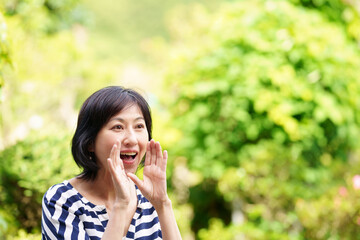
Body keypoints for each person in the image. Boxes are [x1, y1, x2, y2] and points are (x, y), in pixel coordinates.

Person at [41, 86, 182, 240]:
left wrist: (162, 204)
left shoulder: (149, 200)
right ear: (90, 142)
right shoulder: (62, 200)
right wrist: (121, 205)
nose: (132, 139)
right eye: (118, 127)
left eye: (139, 126)